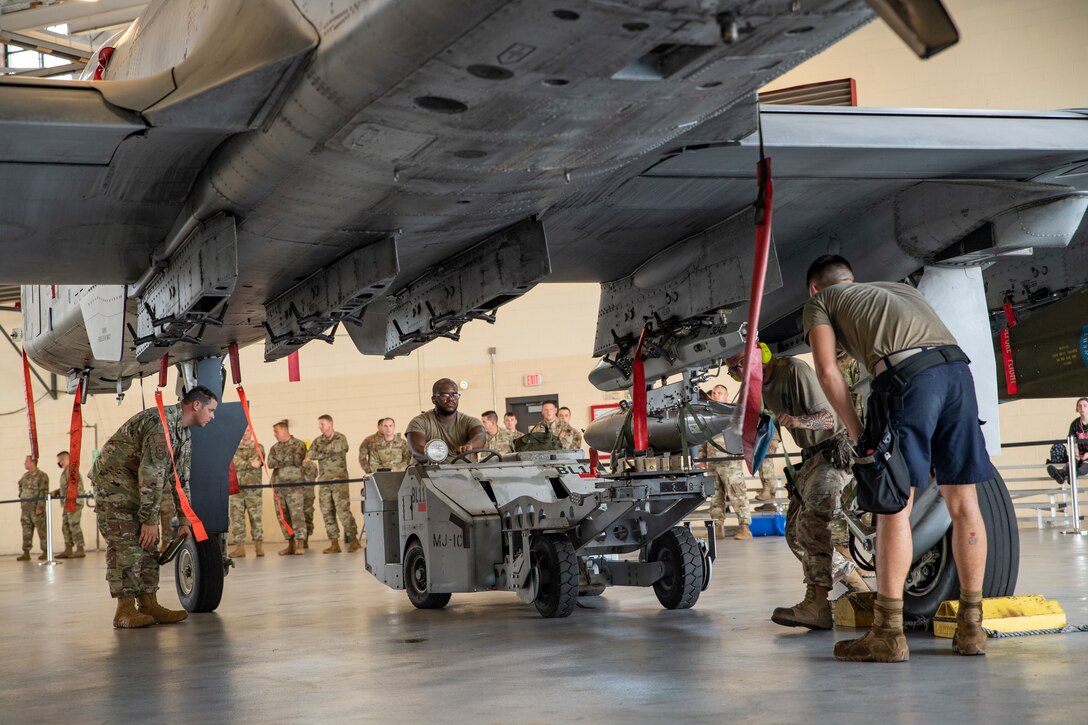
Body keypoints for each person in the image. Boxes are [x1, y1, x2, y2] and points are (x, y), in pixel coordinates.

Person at [805, 254, 991, 662]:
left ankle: (888, 633)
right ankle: (971, 629)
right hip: (957, 373)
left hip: (909, 381)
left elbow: (826, 370)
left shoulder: (820, 302)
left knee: (894, 505)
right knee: (964, 503)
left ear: (815, 288)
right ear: (853, 279)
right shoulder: (900, 289)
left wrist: (857, 432)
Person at [727, 347, 869, 631]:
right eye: (733, 369)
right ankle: (862, 593)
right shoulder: (761, 386)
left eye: (742, 363)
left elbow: (827, 419)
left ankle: (817, 604)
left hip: (834, 450)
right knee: (794, 534)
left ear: (760, 356)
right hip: (811, 458)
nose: (739, 371)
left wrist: (798, 421)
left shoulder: (793, 370)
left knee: (813, 524)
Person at [90, 385, 217, 628]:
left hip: (137, 482)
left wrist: (186, 519)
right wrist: (149, 520)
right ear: (196, 405)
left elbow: (181, 480)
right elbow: (151, 474)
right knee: (126, 542)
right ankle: (124, 610)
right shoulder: (163, 425)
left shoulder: (184, 433)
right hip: (114, 481)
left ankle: (149, 604)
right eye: (211, 410)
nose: (213, 416)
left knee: (148, 541)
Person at [697, 384, 752, 540]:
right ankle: (717, 529)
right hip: (713, 462)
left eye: (719, 393)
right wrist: (702, 458)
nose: (715, 395)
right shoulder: (707, 415)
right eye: (714, 393)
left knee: (737, 494)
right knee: (715, 497)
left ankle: (744, 528)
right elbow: (703, 438)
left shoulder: (732, 412)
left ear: (726, 396)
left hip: (730, 462)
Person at [305, 414, 360, 554]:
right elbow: (310, 454)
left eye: (322, 424)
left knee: (343, 511)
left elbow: (337, 448)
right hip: (324, 481)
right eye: (319, 424)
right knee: (327, 512)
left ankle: (354, 540)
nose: (320, 427)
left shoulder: (340, 438)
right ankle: (334, 543)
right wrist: (323, 451)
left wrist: (320, 452)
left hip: (339, 480)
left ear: (330, 423)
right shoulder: (318, 440)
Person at [406, 379, 486, 462]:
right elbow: (416, 451)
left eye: (454, 395)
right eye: (445, 395)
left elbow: (480, 436)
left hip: (464, 472)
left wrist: (470, 445)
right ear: (434, 399)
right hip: (428, 473)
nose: (451, 399)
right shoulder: (419, 422)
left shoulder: (470, 421)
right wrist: (437, 456)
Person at [267, 420, 308, 556]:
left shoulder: (298, 444)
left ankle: (300, 543)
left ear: (284, 431)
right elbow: (270, 463)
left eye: (276, 431)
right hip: (278, 487)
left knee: (297, 515)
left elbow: (296, 460)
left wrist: (280, 460)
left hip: (294, 486)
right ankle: (290, 544)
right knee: (283, 517)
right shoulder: (274, 447)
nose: (274, 434)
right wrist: (285, 459)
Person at [229, 428, 265, 558]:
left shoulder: (258, 447)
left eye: (248, 430)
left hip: (253, 490)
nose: (245, 433)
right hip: (236, 489)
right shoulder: (233, 447)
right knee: (237, 519)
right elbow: (234, 463)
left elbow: (257, 463)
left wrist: (242, 463)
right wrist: (249, 463)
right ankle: (240, 548)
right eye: (243, 431)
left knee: (256, 518)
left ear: (251, 432)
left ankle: (259, 547)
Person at [50, 450, 86, 559]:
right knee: (65, 526)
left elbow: (73, 487)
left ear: (64, 459)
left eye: (60, 460)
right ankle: (68, 548)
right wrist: (56, 492)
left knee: (74, 524)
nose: (59, 463)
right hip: (67, 502)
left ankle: (80, 549)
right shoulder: (66, 471)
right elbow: (65, 487)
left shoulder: (71, 470)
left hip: (73, 501)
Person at [1046, 397, 1088, 484]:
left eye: (1085, 406)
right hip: (1079, 453)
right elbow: (1072, 441)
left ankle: (1074, 474)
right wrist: (1076, 454)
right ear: (1077, 409)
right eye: (1079, 406)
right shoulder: (1075, 424)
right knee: (1073, 461)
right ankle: (1061, 473)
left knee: (1085, 463)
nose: (1082, 408)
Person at [17, 455, 49, 562]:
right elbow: (20, 486)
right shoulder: (25, 476)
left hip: (36, 509)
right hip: (25, 509)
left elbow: (43, 492)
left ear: (33, 462)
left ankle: (46, 551)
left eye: (26, 461)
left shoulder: (42, 476)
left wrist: (40, 507)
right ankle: (26, 552)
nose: (24, 463)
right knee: (26, 530)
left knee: (42, 531)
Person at [755, 428, 781, 510]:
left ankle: (767, 491)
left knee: (765, 464)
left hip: (767, 435)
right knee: (764, 465)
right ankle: (770, 503)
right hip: (765, 434)